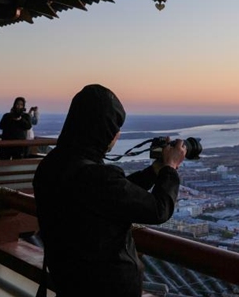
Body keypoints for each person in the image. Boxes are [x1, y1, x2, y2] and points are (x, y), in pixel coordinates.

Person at [33, 84, 185, 297]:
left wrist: (154, 171)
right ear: (102, 128)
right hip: (107, 287)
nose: (117, 134)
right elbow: (159, 209)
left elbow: (113, 195)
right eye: (114, 126)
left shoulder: (53, 165)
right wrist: (170, 169)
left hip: (69, 282)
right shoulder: (94, 177)